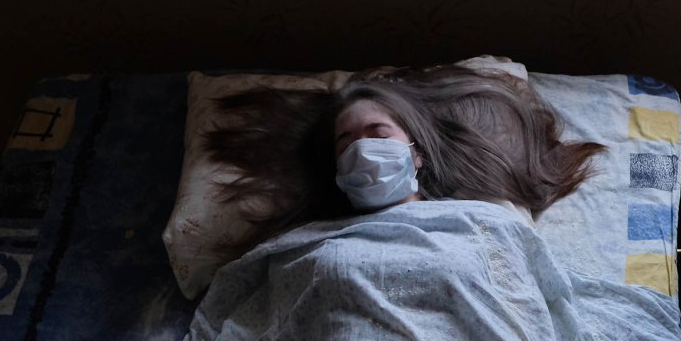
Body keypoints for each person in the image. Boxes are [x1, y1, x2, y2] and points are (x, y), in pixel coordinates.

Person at [202, 64, 605, 251]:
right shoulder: (313, 242)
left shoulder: (476, 222)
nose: (362, 148)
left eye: (378, 133)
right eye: (346, 142)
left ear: (417, 154)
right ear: (336, 168)